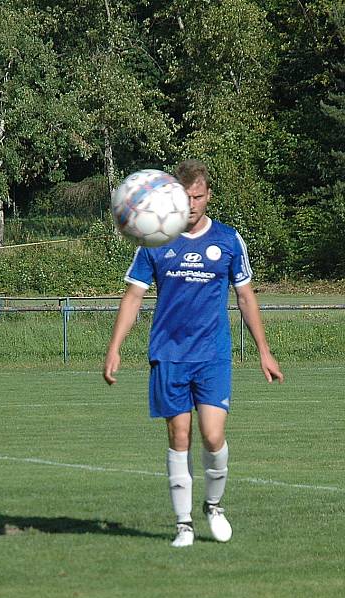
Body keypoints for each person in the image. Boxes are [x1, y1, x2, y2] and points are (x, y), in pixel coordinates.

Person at [102, 159, 283, 548]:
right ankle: (183, 524)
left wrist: (264, 352)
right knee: (179, 434)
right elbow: (133, 296)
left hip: (212, 355)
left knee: (213, 435)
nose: (192, 203)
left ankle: (213, 506)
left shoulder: (229, 240)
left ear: (208, 195)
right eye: (185, 197)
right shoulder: (155, 240)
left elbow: (246, 298)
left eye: (198, 196)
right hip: (168, 354)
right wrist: (115, 348)